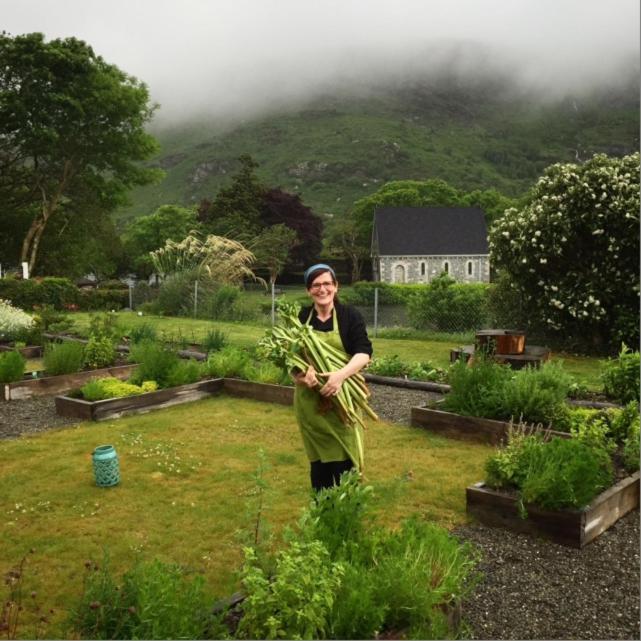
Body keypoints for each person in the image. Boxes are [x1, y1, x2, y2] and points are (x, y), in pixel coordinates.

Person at [292, 263, 373, 492]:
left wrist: (340, 376)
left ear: (336, 287)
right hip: (311, 405)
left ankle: (346, 517)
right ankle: (323, 516)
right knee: (319, 467)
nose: (322, 289)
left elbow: (364, 352)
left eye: (327, 283)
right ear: (309, 291)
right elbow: (291, 360)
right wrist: (300, 377)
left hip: (342, 403)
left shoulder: (349, 316)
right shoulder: (301, 318)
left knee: (344, 461)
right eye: (316, 285)